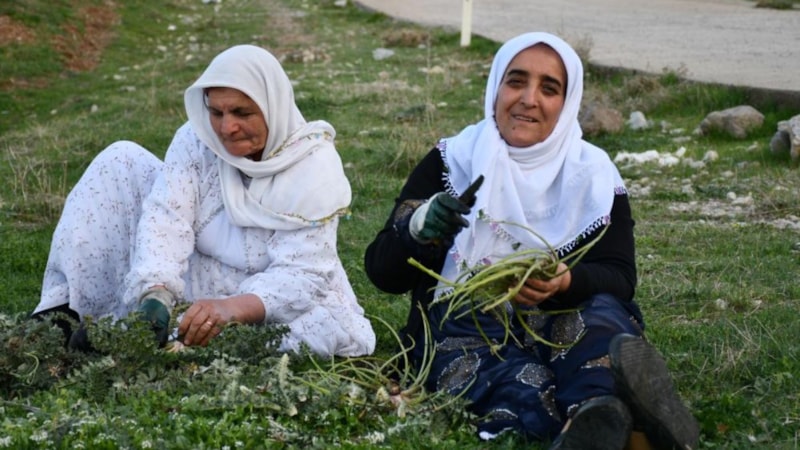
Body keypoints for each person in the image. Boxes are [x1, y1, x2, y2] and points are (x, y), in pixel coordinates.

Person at [364, 32, 699, 449]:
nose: (528, 99)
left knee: (600, 324)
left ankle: (600, 413)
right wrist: (417, 228)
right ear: (496, 88)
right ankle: (616, 425)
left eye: (549, 89)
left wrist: (565, 281)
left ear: (567, 102)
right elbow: (382, 273)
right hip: (468, 327)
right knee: (509, 380)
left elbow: (620, 277)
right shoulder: (454, 161)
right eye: (516, 81)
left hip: (561, 319)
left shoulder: (592, 174)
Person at [31, 44, 375, 358]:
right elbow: (167, 218)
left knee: (311, 329)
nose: (227, 128)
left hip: (267, 292)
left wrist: (230, 309)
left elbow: (302, 274)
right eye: (217, 112)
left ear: (273, 107)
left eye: (242, 113)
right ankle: (64, 316)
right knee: (120, 160)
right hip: (197, 270)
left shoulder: (314, 167)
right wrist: (156, 292)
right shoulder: (198, 140)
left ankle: (157, 335)